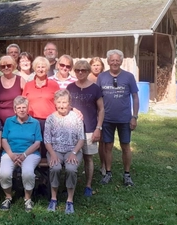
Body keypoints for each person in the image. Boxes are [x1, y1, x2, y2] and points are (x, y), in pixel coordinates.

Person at [96, 49, 139, 186]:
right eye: (112, 60)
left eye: (117, 60)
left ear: (121, 61)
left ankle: (127, 175)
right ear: (108, 62)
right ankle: (108, 173)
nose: (115, 62)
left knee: (125, 146)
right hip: (107, 119)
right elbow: (97, 98)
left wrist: (134, 116)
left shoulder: (129, 77)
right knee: (107, 146)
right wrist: (98, 118)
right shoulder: (101, 77)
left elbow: (135, 97)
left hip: (124, 119)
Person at [66, 60, 104, 197]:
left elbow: (101, 109)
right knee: (69, 156)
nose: (80, 72)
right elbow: (64, 104)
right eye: (77, 70)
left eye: (83, 70)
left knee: (88, 158)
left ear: (88, 71)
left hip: (89, 128)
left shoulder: (95, 88)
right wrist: (73, 108)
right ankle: (69, 184)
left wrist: (98, 128)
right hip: (72, 129)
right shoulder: (70, 87)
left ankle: (88, 185)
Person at [44, 89, 85, 214]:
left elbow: (81, 138)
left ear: (69, 103)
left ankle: (70, 200)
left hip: (73, 149)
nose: (62, 105)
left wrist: (74, 152)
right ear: (55, 103)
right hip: (55, 150)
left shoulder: (76, 117)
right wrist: (52, 154)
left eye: (64, 102)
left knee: (71, 169)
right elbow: (47, 140)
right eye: (59, 102)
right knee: (55, 168)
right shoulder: (50, 119)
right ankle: (53, 198)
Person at [0, 96, 41, 212]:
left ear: (28, 109)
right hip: (10, 152)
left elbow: (37, 143)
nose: (22, 110)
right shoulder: (9, 121)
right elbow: (4, 140)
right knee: (4, 173)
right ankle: (8, 197)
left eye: (24, 107)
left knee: (28, 173)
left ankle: (27, 199)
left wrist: (24, 155)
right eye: (19, 108)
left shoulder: (35, 123)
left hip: (30, 153)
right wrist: (11, 155)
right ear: (15, 109)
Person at [22, 56, 60, 159]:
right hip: (31, 120)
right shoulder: (28, 85)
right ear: (34, 68)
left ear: (47, 69)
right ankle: (33, 167)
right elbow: (23, 102)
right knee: (31, 143)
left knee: (46, 144)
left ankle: (46, 169)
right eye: (38, 67)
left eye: (43, 67)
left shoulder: (54, 84)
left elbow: (59, 102)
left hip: (49, 120)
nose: (40, 69)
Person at [0, 55, 26, 125]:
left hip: (17, 119)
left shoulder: (20, 80)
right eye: (3, 66)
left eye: (9, 65)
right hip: (0, 120)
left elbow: (26, 99)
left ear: (13, 66)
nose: (6, 68)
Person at [88, 57, 106, 175]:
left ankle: (103, 165)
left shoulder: (105, 77)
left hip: (102, 110)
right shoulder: (87, 78)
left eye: (98, 65)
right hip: (90, 112)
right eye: (94, 65)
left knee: (103, 140)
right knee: (90, 140)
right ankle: (88, 164)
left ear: (102, 67)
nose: (96, 67)